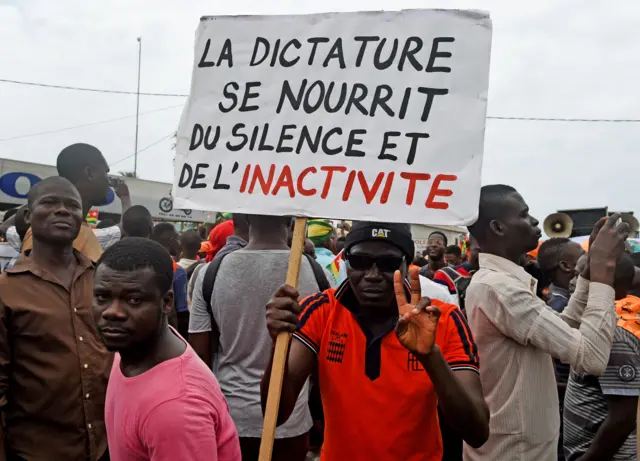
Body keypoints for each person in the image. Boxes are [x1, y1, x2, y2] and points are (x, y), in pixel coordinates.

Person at [262, 221, 489, 461]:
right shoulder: (321, 311)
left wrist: (430, 357)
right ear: (346, 261)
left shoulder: (442, 319)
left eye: (388, 264)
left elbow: (477, 432)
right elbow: (275, 414)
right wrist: (278, 342)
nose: (372, 276)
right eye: (359, 262)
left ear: (406, 263)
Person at [464, 184, 628, 461]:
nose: (535, 221)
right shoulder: (500, 289)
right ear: (498, 227)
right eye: (524, 214)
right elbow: (591, 358)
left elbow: (564, 326)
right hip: (515, 453)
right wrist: (603, 272)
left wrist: (587, 275)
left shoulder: (503, 284)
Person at [94, 238, 241, 461]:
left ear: (166, 302)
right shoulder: (133, 348)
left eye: (134, 299)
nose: (112, 312)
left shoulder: (175, 409)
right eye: (102, 297)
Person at [189, 215, 318, 461]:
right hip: (292, 420)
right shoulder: (314, 272)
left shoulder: (209, 273)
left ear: (245, 218)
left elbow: (199, 358)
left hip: (229, 416)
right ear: (291, 220)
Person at [0, 177, 110, 460]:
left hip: (106, 448)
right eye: (49, 203)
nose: (63, 210)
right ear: (27, 215)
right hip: (37, 452)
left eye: (72, 206)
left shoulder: (104, 282)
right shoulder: (6, 290)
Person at [563, 253, 639, 461]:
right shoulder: (596, 324)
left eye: (581, 275)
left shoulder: (613, 336)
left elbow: (623, 418)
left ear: (605, 282)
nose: (573, 281)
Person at [14, 144, 131, 261]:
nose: (108, 181)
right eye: (106, 173)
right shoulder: (55, 234)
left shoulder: (76, 231)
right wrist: (125, 197)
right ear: (89, 173)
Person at [152, 223, 188, 337]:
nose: (180, 242)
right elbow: (181, 313)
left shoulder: (143, 263)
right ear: (171, 241)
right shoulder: (177, 271)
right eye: (178, 238)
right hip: (166, 335)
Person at [538, 238, 586, 313]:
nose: (588, 259)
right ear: (565, 266)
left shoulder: (562, 297)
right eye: (583, 255)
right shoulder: (560, 307)